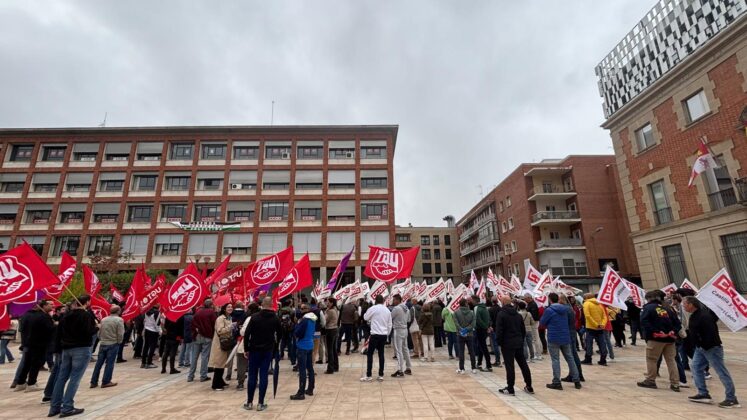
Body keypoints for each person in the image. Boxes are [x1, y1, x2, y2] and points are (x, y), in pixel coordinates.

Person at [683, 296, 740, 408]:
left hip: (711, 348)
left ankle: (731, 398)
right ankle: (703, 393)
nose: (683, 306)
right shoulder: (695, 315)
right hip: (701, 348)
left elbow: (711, 332)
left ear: (691, 304)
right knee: (695, 367)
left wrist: (705, 345)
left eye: (684, 304)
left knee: (721, 372)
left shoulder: (704, 316)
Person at [48, 295, 97, 418]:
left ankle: (55, 407)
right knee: (75, 378)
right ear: (87, 302)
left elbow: (59, 333)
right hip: (81, 348)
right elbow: (88, 331)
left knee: (61, 377)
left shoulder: (66, 316)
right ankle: (67, 407)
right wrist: (96, 327)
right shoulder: (86, 315)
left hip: (66, 349)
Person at [243, 297, 282, 412]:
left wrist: (246, 349)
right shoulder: (275, 318)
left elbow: (246, 334)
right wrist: (275, 345)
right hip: (267, 350)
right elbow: (280, 334)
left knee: (252, 376)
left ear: (262, 305)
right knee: (264, 375)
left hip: (254, 349)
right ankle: (260, 403)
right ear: (271, 305)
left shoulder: (254, 317)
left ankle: (249, 402)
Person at [637, 290, 681, 392]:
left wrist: (655, 331)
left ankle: (650, 380)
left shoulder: (647, 308)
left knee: (652, 359)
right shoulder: (668, 308)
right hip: (670, 339)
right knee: (671, 360)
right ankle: (675, 383)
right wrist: (672, 331)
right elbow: (678, 323)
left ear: (648, 299)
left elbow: (644, 322)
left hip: (655, 338)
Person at [540, 293, 581, 390]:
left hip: (553, 337)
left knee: (555, 359)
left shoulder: (549, 310)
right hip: (565, 336)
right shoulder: (566, 309)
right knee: (570, 358)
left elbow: (542, 323)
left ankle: (557, 382)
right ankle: (577, 380)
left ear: (550, 300)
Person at [495, 296, 533, 396]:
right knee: (523, 364)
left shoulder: (501, 314)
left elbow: (499, 331)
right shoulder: (517, 314)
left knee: (510, 366)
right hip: (518, 342)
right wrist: (520, 339)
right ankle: (529, 386)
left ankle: (510, 388)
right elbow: (523, 330)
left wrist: (499, 342)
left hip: (507, 344)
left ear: (503, 302)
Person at [14, 300, 54, 392]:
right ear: (43, 306)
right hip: (38, 344)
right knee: (35, 364)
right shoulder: (42, 316)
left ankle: (21, 383)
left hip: (28, 343)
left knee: (26, 364)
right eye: (49, 305)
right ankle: (31, 383)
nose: (52, 306)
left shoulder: (27, 315)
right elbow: (49, 329)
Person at [90, 305, 125, 388]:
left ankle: (93, 381)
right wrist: (119, 342)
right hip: (113, 343)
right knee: (109, 363)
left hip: (103, 343)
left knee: (99, 363)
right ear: (118, 311)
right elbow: (120, 333)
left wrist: (102, 339)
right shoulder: (119, 320)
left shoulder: (104, 319)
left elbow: (99, 332)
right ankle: (106, 381)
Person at [361, 295, 392, 382]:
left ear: (375, 300)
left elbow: (365, 317)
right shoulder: (387, 310)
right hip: (383, 334)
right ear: (383, 301)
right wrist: (387, 334)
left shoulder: (373, 308)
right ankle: (381, 375)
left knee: (370, 354)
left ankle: (369, 375)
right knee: (381, 354)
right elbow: (390, 324)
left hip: (375, 334)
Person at [290, 303, 317, 400]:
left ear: (305, 310)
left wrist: (297, 324)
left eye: (301, 309)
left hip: (302, 346)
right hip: (310, 345)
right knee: (310, 368)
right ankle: (310, 388)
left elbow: (298, 333)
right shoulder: (313, 319)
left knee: (302, 370)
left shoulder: (304, 320)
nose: (300, 310)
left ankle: (301, 392)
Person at [188, 299, 217, 383]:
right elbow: (214, 324)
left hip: (197, 336)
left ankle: (190, 376)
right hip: (207, 336)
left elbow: (193, 323)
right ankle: (203, 376)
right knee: (204, 357)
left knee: (194, 356)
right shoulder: (211, 312)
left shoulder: (198, 312)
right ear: (211, 305)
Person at [209, 303, 234, 391]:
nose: (230, 308)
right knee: (219, 364)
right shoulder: (220, 318)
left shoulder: (229, 317)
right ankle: (215, 384)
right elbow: (220, 331)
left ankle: (221, 381)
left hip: (225, 343)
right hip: (220, 344)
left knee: (222, 364)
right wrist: (231, 327)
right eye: (228, 307)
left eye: (231, 307)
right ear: (224, 308)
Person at [581, 293, 608, 366]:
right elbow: (604, 316)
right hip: (600, 328)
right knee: (602, 343)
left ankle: (588, 359)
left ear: (586, 297)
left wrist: (595, 324)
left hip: (590, 327)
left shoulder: (586, 304)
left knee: (589, 343)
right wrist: (602, 324)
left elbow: (587, 316)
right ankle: (603, 360)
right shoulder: (599, 304)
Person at [453, 298, 477, 374]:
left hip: (460, 334)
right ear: (466, 303)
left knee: (461, 351)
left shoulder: (456, 313)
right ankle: (473, 368)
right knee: (471, 351)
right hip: (470, 334)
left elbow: (456, 324)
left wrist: (462, 330)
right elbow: (473, 324)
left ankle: (462, 368)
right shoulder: (472, 312)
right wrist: (467, 329)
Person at [390, 294, 412, 377]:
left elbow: (390, 317)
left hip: (398, 330)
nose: (393, 301)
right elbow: (409, 319)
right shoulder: (406, 308)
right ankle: (408, 368)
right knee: (405, 349)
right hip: (405, 329)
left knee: (398, 350)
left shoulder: (396, 308)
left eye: (394, 300)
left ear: (398, 300)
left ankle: (400, 370)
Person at [231, 302, 249, 388]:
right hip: (253, 343)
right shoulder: (245, 315)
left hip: (238, 338)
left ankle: (240, 381)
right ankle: (255, 380)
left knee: (240, 360)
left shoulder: (232, 313)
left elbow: (242, 332)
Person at [473, 296, 492, 372]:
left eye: (471, 300)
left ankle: (489, 365)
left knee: (483, 347)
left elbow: (477, 319)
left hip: (480, 329)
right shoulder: (485, 308)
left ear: (475, 301)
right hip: (484, 329)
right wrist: (487, 326)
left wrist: (485, 327)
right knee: (481, 346)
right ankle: (479, 363)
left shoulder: (476, 308)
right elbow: (488, 319)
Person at [523, 294, 542, 358]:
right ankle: (538, 352)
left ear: (529, 298)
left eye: (525, 299)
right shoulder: (530, 304)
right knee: (536, 338)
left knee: (535, 339)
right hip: (534, 322)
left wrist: (531, 321)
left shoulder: (532, 304)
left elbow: (533, 315)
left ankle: (538, 354)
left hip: (534, 323)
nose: (525, 300)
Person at [323, 298, 339, 374]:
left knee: (330, 350)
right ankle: (336, 366)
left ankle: (330, 368)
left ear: (332, 303)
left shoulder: (329, 311)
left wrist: (325, 313)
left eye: (328, 302)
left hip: (330, 330)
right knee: (334, 350)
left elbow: (324, 321)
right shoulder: (336, 309)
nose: (327, 303)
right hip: (335, 329)